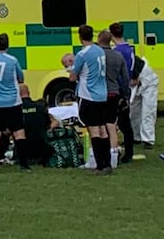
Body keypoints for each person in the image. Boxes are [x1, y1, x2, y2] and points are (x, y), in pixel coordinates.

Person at [67, 24, 111, 175]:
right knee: (103, 129)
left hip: (89, 95)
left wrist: (72, 71)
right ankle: (108, 163)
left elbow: (73, 77)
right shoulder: (100, 50)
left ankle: (100, 165)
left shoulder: (82, 54)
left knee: (94, 130)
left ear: (79, 37)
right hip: (102, 93)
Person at [0, 33, 30, 171]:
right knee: (19, 133)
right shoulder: (13, 60)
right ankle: (23, 164)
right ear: (7, 45)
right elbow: (21, 78)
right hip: (12, 102)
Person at [97, 29, 131, 166]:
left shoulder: (97, 56)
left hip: (99, 94)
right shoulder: (118, 56)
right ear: (110, 40)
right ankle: (114, 154)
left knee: (100, 125)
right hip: (114, 93)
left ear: (99, 40)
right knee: (112, 125)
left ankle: (101, 155)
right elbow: (125, 77)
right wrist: (126, 95)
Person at [128, 51, 159, 149]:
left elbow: (134, 78)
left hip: (147, 80)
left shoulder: (119, 55)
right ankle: (136, 137)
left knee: (147, 111)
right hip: (137, 79)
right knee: (133, 111)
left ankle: (148, 139)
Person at [18, 85, 52, 166]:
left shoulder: (16, 110)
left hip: (24, 150)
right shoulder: (40, 107)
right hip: (41, 149)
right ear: (29, 93)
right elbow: (48, 124)